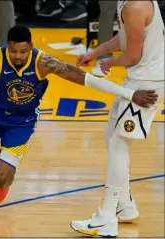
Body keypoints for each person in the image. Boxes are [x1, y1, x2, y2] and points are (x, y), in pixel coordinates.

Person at [0, 25, 159, 212]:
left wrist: (130, 94)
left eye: (23, 51)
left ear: (31, 47)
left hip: (22, 122)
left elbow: (87, 80)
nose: (18, 56)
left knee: (0, 178)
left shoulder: (44, 63)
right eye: (14, 51)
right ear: (7, 47)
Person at [70, 0, 164, 237]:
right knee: (110, 136)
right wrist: (95, 52)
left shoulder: (136, 6)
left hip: (147, 83)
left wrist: (109, 62)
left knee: (118, 144)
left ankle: (107, 216)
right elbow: (125, 36)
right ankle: (125, 205)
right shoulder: (128, 3)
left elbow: (132, 56)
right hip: (141, 77)